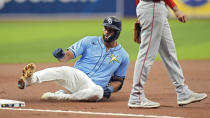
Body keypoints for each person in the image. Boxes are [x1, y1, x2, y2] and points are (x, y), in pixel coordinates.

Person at [17, 16, 129, 101]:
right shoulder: (89, 41)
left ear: (117, 32)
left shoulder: (123, 56)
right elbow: (69, 55)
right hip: (77, 78)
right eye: (106, 28)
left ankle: (62, 96)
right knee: (65, 70)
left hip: (93, 88)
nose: (106, 31)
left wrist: (110, 89)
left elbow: (118, 81)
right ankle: (29, 80)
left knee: (98, 92)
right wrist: (62, 55)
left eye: (110, 30)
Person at [128, 0, 207, 108]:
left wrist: (140, 8)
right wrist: (176, 9)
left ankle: (182, 92)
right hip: (152, 6)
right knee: (147, 54)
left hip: (155, 8)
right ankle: (136, 96)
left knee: (169, 52)